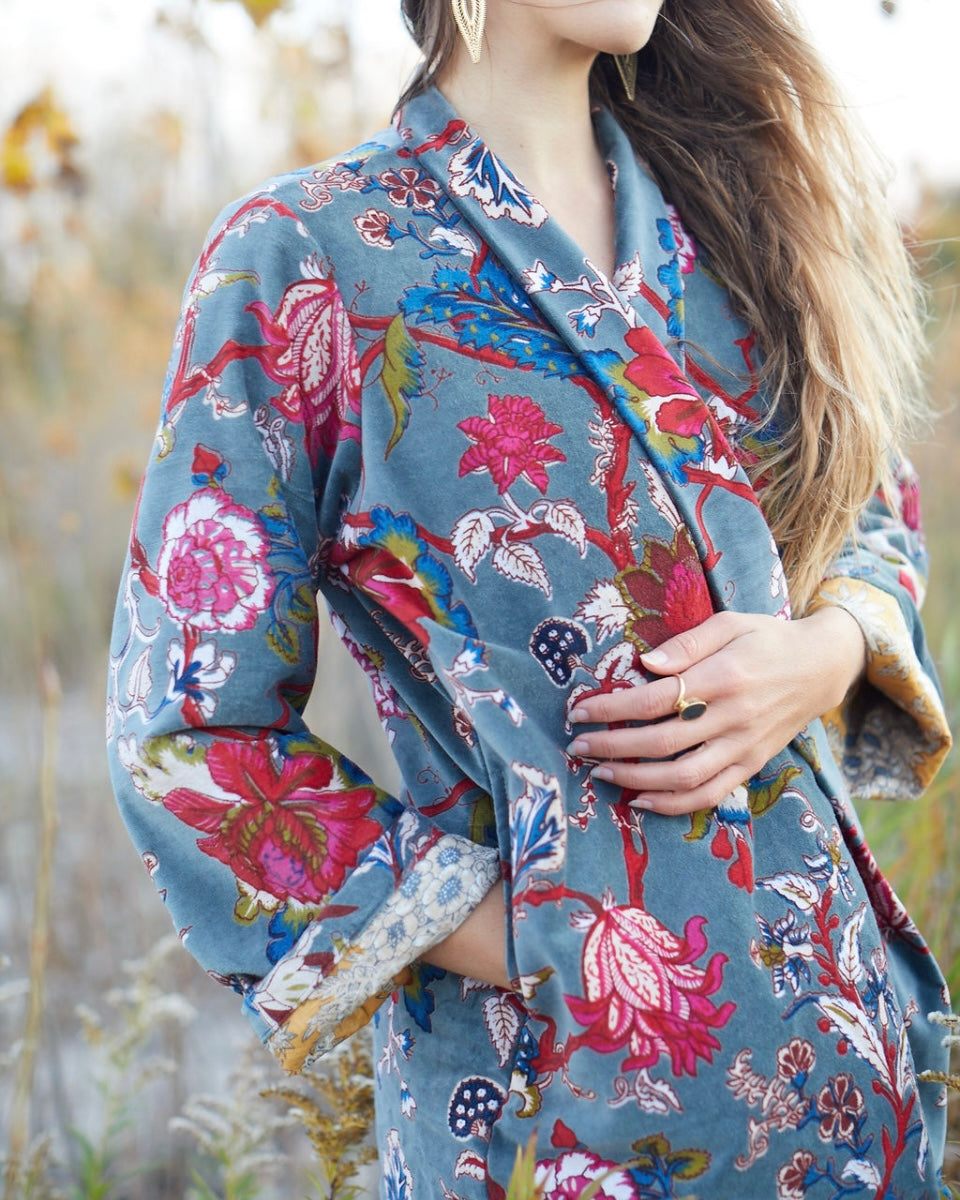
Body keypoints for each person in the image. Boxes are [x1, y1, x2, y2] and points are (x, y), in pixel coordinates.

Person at [106, 0, 954, 1194]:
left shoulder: (732, 220)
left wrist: (822, 653)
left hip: (845, 1061)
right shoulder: (310, 255)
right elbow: (188, 735)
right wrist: (545, 934)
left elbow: (871, 496)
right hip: (556, 1113)